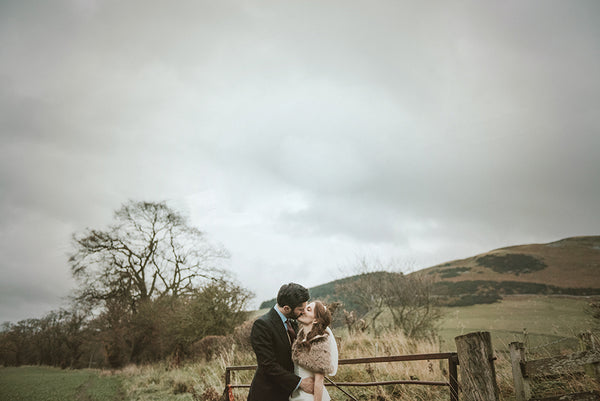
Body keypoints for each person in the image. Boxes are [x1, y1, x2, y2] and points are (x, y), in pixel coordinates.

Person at [247, 283, 315, 401]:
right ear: (287, 308)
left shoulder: (293, 323)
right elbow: (268, 365)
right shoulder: (262, 325)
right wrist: (300, 383)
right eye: (300, 309)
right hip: (268, 395)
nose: (303, 312)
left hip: (290, 395)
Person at [289, 301, 338, 401]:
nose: (303, 311)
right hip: (297, 395)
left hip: (310, 397)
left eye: (308, 309)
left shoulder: (319, 344)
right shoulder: (300, 340)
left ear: (315, 320)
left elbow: (319, 382)